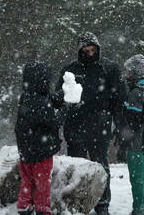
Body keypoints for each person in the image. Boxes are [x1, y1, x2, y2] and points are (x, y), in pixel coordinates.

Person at [54, 32, 127, 215]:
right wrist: (58, 121)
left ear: (98, 49)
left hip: (99, 127)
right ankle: (77, 204)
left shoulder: (109, 69)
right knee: (76, 169)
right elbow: (59, 97)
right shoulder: (70, 70)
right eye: (86, 50)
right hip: (75, 127)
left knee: (100, 168)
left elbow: (120, 99)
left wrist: (119, 126)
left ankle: (102, 205)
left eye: (93, 50)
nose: (90, 54)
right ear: (80, 51)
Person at [15, 61, 63, 215]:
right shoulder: (42, 102)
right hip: (41, 152)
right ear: (43, 80)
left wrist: (57, 98)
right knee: (42, 183)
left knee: (27, 180)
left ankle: (24, 206)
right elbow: (54, 121)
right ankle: (42, 209)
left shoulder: (26, 97)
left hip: (26, 151)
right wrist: (64, 110)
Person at [120, 54, 144, 215]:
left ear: (136, 73)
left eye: (128, 72)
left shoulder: (137, 93)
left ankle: (139, 209)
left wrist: (123, 107)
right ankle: (139, 208)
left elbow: (133, 121)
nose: (126, 75)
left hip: (136, 141)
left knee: (136, 178)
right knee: (139, 177)